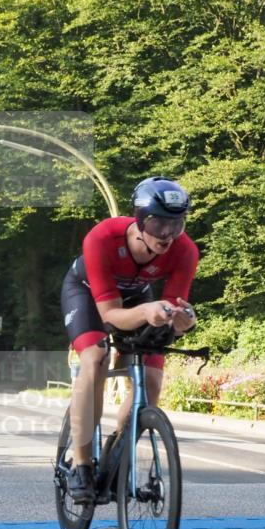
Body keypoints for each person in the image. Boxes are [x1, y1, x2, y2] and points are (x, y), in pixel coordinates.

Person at [60, 177, 199, 504]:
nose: (167, 234)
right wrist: (149, 311)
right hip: (88, 295)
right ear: (139, 220)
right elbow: (110, 315)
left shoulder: (185, 250)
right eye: (158, 223)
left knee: (151, 380)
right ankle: (81, 463)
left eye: (176, 224)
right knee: (95, 359)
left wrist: (182, 322)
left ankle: (118, 453)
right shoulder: (102, 237)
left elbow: (173, 310)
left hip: (138, 298)